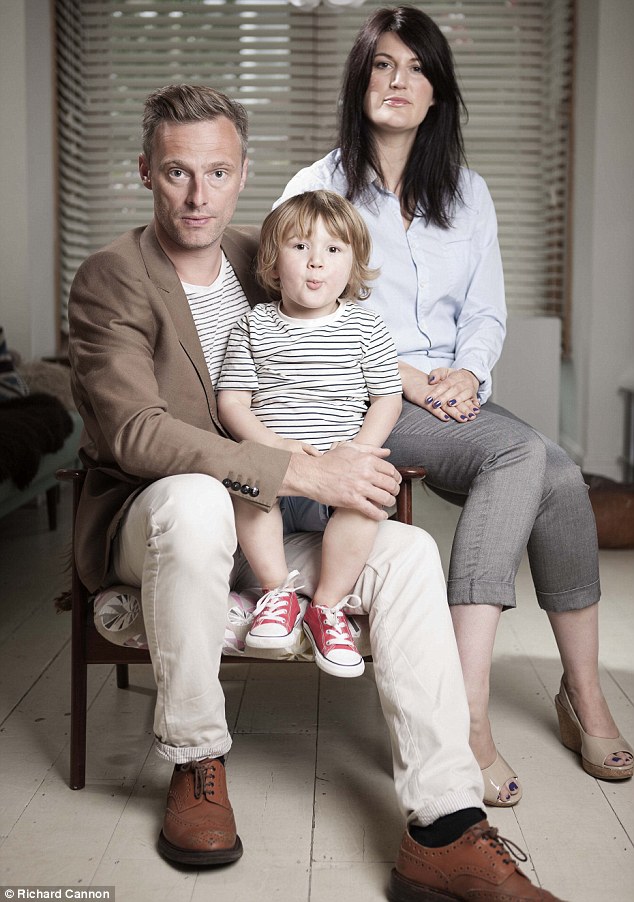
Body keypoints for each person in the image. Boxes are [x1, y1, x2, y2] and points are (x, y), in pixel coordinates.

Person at [67, 82, 566, 901]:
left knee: (406, 555)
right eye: (177, 173)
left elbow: (334, 340)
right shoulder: (111, 279)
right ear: (146, 173)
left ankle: (444, 828)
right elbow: (136, 434)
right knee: (195, 500)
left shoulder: (263, 253)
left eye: (218, 173)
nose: (199, 195)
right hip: (154, 513)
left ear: (244, 173)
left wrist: (417, 393)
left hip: (266, 515)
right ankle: (197, 761)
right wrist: (300, 469)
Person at [276, 5, 633, 807]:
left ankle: (585, 698)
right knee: (523, 455)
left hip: (450, 399)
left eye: (417, 68)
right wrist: (401, 375)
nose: (399, 82)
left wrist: (470, 373)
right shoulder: (316, 185)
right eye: (383, 65)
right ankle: (467, 718)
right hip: (358, 397)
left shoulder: (467, 194)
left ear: (438, 91)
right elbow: (297, 313)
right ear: (360, 79)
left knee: (562, 478)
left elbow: (487, 312)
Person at [217, 190, 402, 678]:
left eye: (334, 250)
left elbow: (387, 397)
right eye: (300, 247)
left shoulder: (366, 328)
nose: (316, 263)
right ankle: (277, 594)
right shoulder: (254, 326)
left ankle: (326, 607)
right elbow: (232, 402)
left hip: (337, 472)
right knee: (245, 486)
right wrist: (273, 447)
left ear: (353, 265)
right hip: (280, 471)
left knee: (367, 499)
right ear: (274, 264)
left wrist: (360, 451)